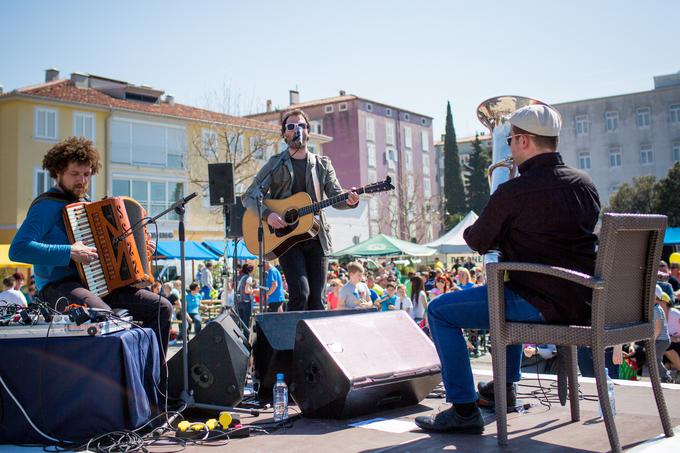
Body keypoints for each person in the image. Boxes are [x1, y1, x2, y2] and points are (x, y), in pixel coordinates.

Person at [416, 103, 600, 434]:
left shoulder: (513, 192)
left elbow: (477, 239)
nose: (509, 146)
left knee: (439, 311)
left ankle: (462, 408)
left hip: (541, 302)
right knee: (508, 289)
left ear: (525, 141)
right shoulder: (585, 183)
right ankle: (505, 387)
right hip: (584, 302)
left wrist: (504, 204)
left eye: (511, 138)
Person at [9, 137, 172, 355]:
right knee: (101, 314)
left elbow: (111, 251)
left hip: (98, 287)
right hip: (58, 287)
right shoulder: (46, 206)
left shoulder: (89, 206)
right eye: (74, 174)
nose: (82, 180)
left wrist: (142, 252)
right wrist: (69, 252)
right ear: (58, 172)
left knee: (161, 308)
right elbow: (18, 249)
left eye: (86, 174)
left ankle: (152, 380)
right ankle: (112, 382)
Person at [242, 109, 359, 312]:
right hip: (287, 240)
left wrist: (351, 201)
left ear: (308, 131)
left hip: (317, 237)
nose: (297, 129)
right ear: (284, 133)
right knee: (300, 294)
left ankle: (314, 344)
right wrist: (268, 215)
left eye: (302, 125)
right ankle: (291, 343)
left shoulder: (322, 164)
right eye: (291, 126)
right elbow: (250, 195)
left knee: (316, 299)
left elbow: (335, 197)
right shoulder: (275, 164)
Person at [236, 264, 254, 332]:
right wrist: (252, 291)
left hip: (240, 302)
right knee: (246, 322)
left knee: (240, 322)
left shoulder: (241, 278)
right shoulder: (248, 278)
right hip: (246, 302)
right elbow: (246, 290)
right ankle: (246, 339)